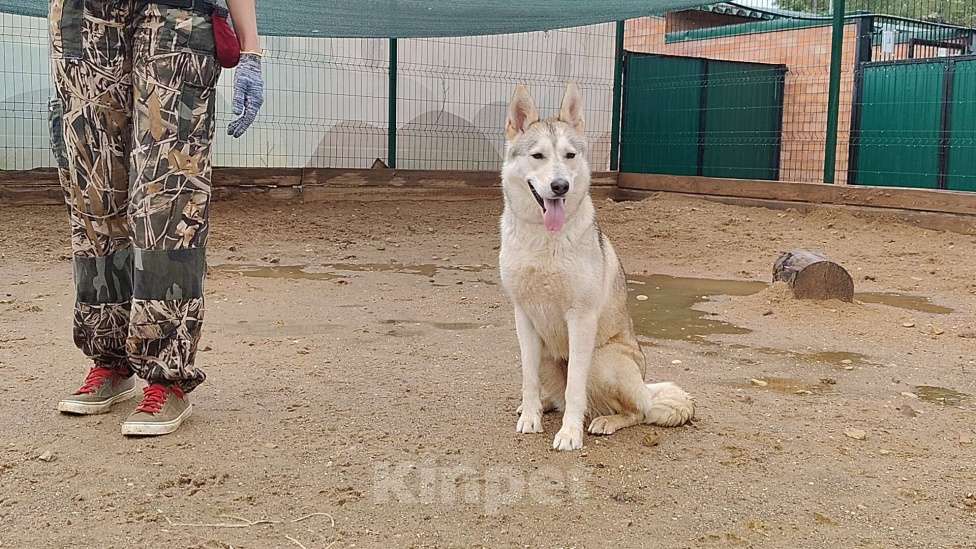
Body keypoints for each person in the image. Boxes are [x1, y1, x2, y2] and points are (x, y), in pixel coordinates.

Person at [49, 0, 264, 435]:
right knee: (94, 191)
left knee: (168, 194)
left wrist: (252, 49)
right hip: (85, 19)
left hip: (173, 18)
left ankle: (166, 375)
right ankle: (109, 358)